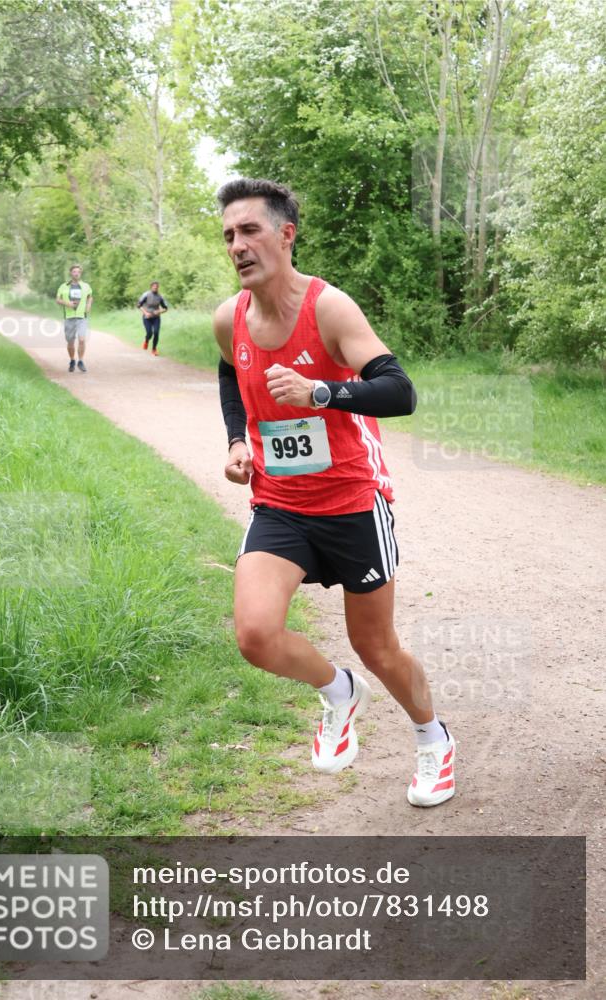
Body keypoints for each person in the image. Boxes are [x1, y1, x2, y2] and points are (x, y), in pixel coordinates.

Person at [213, 178, 455, 808]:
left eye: (250, 231)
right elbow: (228, 370)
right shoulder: (228, 318)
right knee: (255, 636)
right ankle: (336, 692)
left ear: (286, 234)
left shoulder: (329, 309)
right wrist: (238, 439)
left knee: (377, 647)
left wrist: (322, 392)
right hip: (279, 504)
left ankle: (433, 739)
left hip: (351, 501)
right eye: (229, 236)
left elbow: (399, 390)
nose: (238, 245)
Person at [55, 265, 93, 373]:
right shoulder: (63, 286)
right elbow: (58, 299)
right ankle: (72, 360)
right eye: (74, 272)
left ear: (80, 274)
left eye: (78, 272)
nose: (76, 273)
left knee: (82, 339)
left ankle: (80, 361)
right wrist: (68, 303)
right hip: (69, 317)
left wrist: (88, 305)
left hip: (82, 317)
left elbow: (90, 296)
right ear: (71, 273)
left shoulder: (85, 286)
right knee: (70, 341)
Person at [137, 281, 168, 355]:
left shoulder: (160, 297)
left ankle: (154, 349)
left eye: (157, 287)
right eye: (154, 287)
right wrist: (145, 313)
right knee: (149, 333)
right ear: (151, 287)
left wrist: (159, 311)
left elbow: (166, 308)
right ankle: (146, 341)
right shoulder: (146, 294)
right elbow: (138, 305)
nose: (155, 288)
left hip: (156, 318)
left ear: (158, 288)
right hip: (147, 317)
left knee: (156, 332)